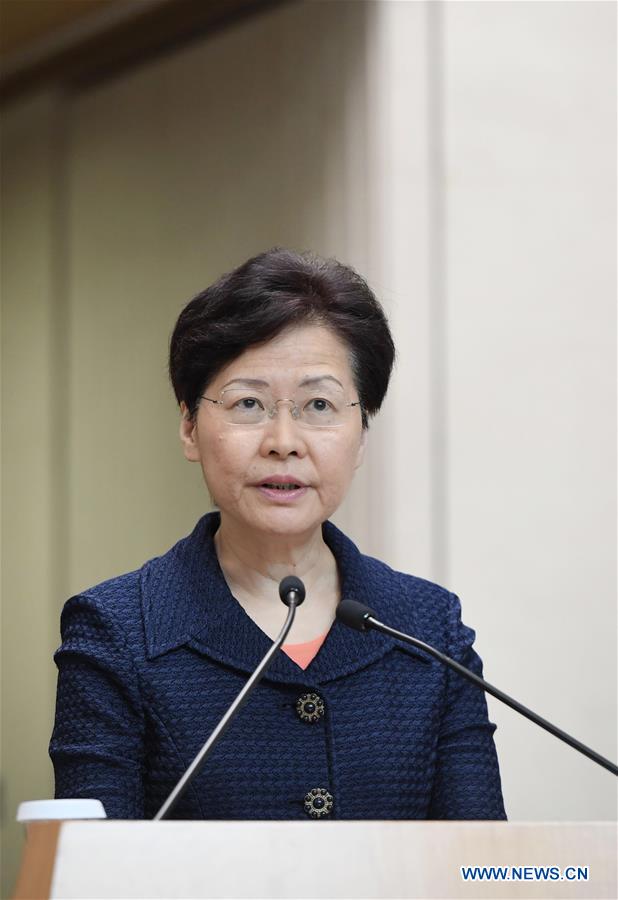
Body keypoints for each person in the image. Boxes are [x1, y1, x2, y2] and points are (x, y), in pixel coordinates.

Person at [49, 248, 506, 820]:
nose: (283, 442)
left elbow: (483, 860)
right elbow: (88, 863)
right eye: (249, 403)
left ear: (362, 434)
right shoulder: (117, 632)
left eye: (319, 404)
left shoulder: (430, 632)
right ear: (189, 426)